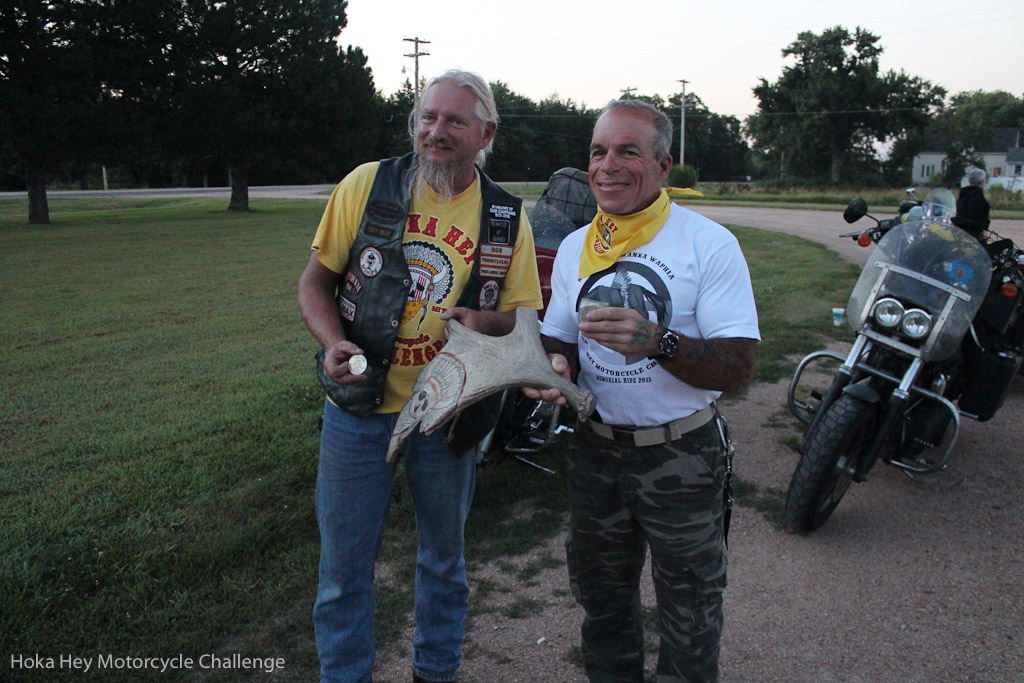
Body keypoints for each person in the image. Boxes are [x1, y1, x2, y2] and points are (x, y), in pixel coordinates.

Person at [297, 69, 542, 683]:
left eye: (455, 121)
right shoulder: (367, 184)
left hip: (448, 413)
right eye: (428, 117)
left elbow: (516, 318)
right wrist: (333, 344)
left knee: (443, 561)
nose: (436, 132)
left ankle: (436, 673)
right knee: (343, 570)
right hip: (358, 409)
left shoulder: (507, 216)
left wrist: (480, 320)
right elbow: (314, 283)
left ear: (486, 132)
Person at [524, 100, 760, 682]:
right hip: (595, 451)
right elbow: (561, 344)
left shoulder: (708, 244)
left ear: (662, 165)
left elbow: (740, 369)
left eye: (628, 151)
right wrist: (557, 368)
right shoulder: (580, 245)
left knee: (691, 610)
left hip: (679, 456)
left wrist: (660, 342)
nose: (608, 165)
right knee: (601, 604)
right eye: (599, 151)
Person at [953, 168, 991, 240]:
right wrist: (984, 230)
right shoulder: (979, 197)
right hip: (974, 235)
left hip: (960, 233)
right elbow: (982, 217)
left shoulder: (963, 194)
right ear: (983, 181)